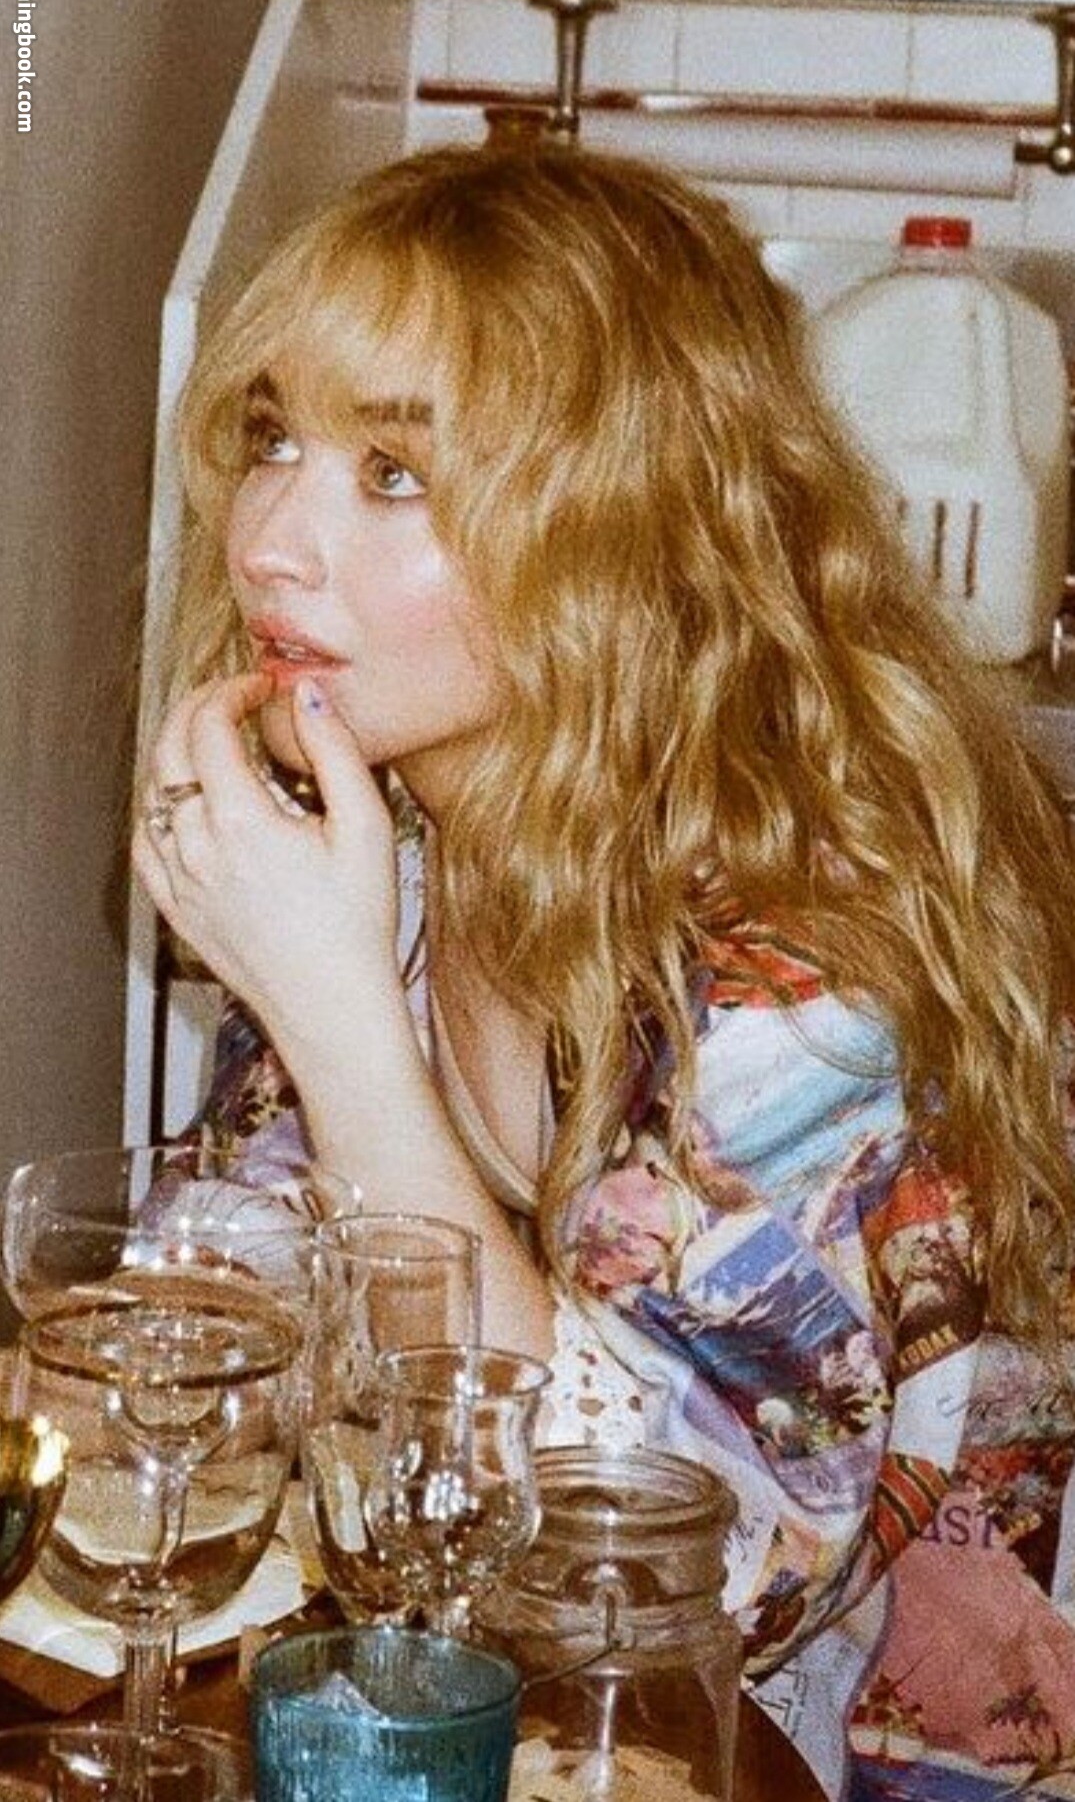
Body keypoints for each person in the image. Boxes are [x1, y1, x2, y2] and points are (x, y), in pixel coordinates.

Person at [133, 142, 1075, 1798]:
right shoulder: (399, 841)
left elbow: (675, 1580)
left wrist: (338, 1026)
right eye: (274, 439)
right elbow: (228, 1314)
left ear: (620, 535)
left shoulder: (800, 981)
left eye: (394, 473)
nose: (269, 540)